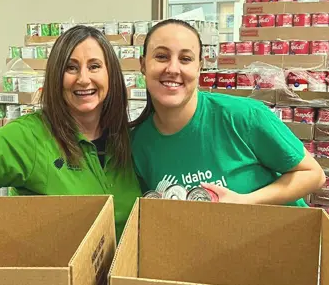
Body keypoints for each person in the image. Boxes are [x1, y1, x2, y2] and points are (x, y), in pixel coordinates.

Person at [0, 25, 141, 239]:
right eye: (70, 67)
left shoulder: (131, 139)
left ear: (111, 75)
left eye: (94, 66)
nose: (83, 79)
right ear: (56, 77)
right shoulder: (29, 136)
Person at [130, 19, 325, 206]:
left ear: (199, 67)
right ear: (143, 65)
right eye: (161, 56)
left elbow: (313, 174)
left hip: (282, 235)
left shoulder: (243, 116)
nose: (173, 68)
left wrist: (245, 202)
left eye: (185, 59)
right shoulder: (138, 144)